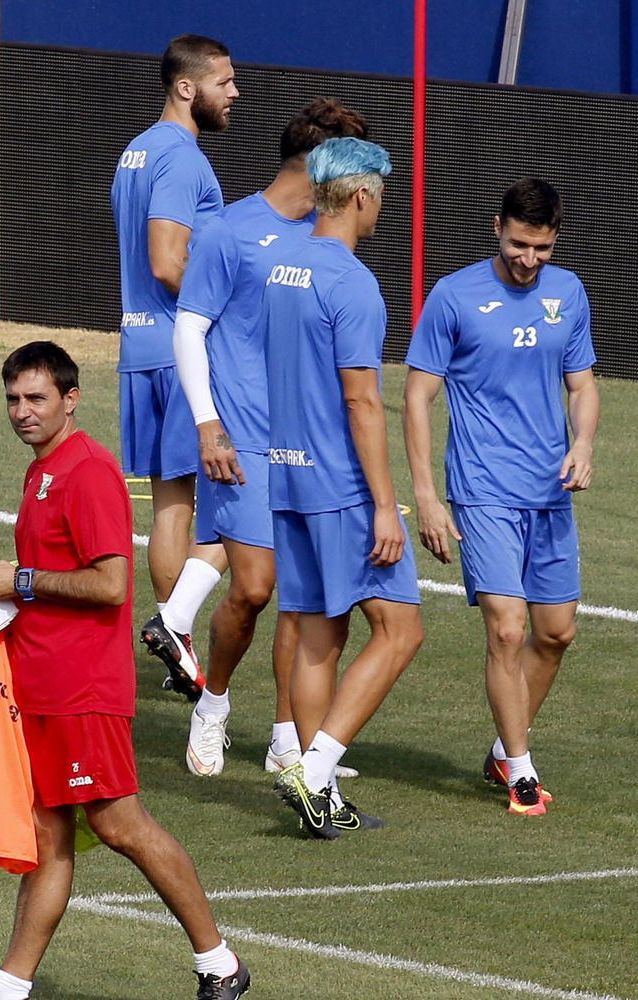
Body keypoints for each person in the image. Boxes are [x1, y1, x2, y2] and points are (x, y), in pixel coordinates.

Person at [0, 342, 250, 1000]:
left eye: (36, 399)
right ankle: (8, 992)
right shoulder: (41, 472)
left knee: (119, 823)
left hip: (83, 693)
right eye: (13, 399)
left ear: (71, 399)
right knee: (49, 839)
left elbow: (111, 584)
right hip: (41, 688)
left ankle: (220, 965)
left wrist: (16, 580)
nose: (22, 412)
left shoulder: (88, 472)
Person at [172, 97, 372, 778]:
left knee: (302, 600)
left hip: (310, 449)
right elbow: (189, 327)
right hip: (240, 442)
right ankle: (214, 702)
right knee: (254, 588)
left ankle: (289, 740)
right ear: (323, 168)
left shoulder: (326, 240)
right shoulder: (230, 233)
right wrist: (207, 424)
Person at [403, 178, 600, 817]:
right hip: (483, 490)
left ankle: (501, 747)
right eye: (519, 244)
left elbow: (582, 384)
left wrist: (585, 442)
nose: (528, 259)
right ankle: (520, 771)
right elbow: (416, 396)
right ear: (498, 228)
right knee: (508, 629)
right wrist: (428, 497)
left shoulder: (568, 294)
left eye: (541, 248)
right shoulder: (455, 296)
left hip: (550, 491)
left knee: (556, 631)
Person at [262, 137, 424, 839]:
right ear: (361, 196)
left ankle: (315, 792)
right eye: (382, 194)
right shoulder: (353, 283)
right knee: (400, 629)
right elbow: (361, 402)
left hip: (286, 476)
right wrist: (386, 505)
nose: (382, 207)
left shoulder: (281, 267)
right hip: (340, 487)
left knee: (318, 636)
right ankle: (316, 769)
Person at [111, 33, 239, 701]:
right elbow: (167, 262)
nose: (234, 92)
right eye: (224, 81)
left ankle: (175, 647)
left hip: (140, 352)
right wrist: (228, 308)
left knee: (170, 509)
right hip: (178, 357)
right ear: (187, 88)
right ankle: (176, 630)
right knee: (221, 513)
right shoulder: (182, 160)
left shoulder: (135, 150)